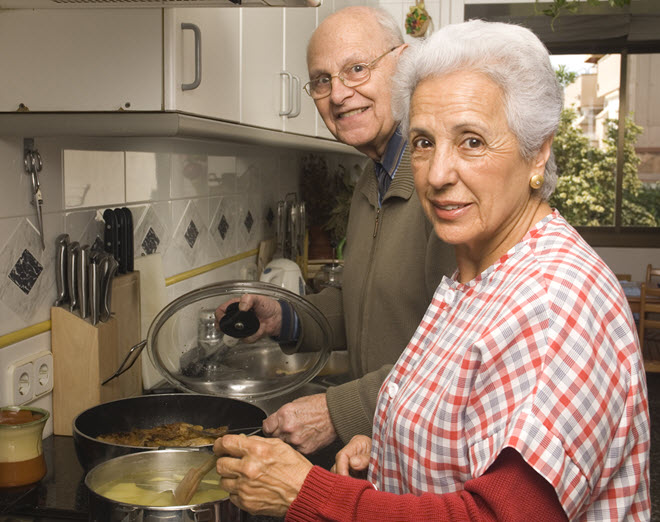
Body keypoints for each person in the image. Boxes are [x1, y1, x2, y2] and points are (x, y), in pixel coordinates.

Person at [213, 19, 651, 520]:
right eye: (423, 142)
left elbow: (497, 515)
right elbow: (460, 423)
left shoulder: (557, 301)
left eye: (472, 141)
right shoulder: (475, 276)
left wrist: (305, 495)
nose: (439, 175)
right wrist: (393, 461)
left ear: (538, 152)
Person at [216, 6, 455, 454]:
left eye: (356, 69)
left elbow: (460, 357)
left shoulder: (441, 183)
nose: (338, 94)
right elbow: (366, 307)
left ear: (402, 63)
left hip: (436, 458)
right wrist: (284, 316)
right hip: (387, 451)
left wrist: (339, 409)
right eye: (322, 80)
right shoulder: (372, 178)